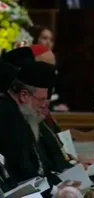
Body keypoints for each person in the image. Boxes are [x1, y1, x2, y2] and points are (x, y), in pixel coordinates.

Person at [0, 61, 79, 197]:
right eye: (41, 99)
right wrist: (55, 190)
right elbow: (21, 170)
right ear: (24, 95)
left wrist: (58, 185)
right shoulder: (8, 116)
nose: (43, 106)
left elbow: (41, 165)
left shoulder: (23, 114)